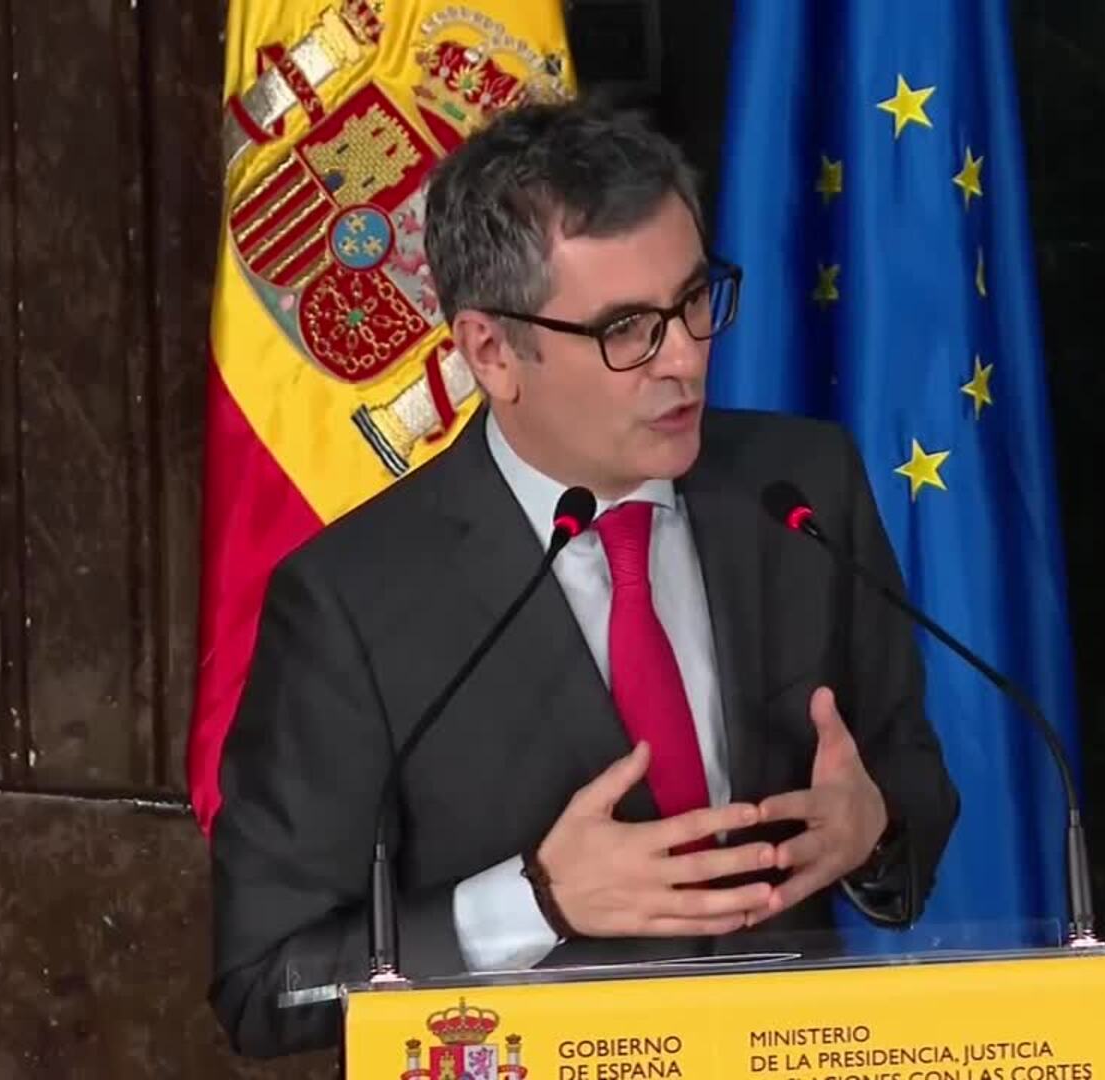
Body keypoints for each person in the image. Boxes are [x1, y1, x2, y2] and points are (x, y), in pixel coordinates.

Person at [209, 100, 960, 1058]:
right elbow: (269, 985)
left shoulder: (802, 489)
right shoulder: (349, 603)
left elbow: (910, 781)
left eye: (695, 301)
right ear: (492, 353)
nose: (684, 358)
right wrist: (536, 902)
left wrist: (872, 828)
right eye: (627, 329)